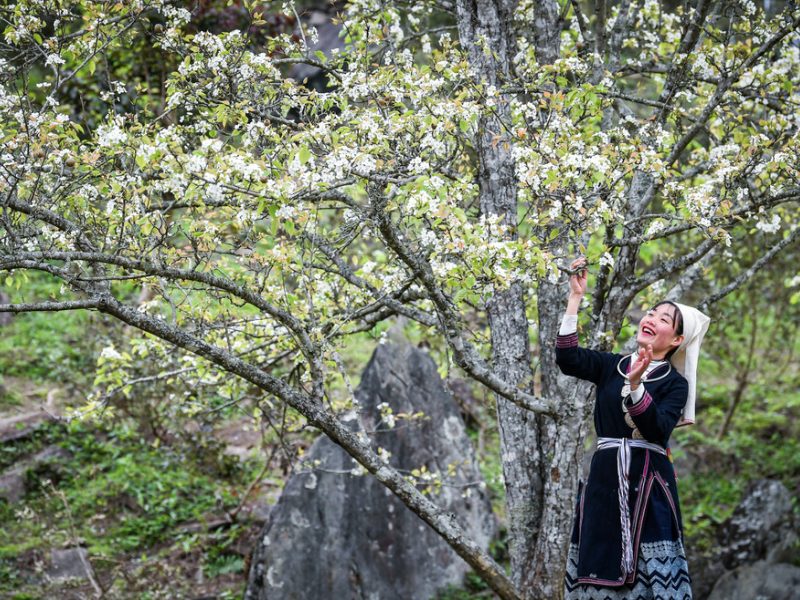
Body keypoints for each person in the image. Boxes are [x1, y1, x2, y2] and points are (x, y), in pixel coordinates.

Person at [557, 257, 709, 600]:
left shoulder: (675, 385)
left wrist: (637, 386)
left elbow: (656, 429)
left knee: (648, 579)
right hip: (605, 480)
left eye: (664, 318)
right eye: (652, 313)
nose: (651, 319)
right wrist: (575, 298)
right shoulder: (612, 365)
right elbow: (568, 360)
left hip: (649, 485)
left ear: (677, 340)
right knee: (598, 564)